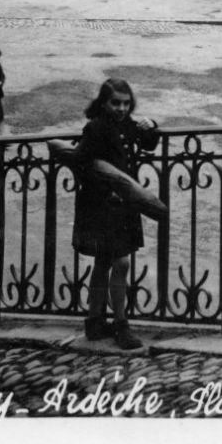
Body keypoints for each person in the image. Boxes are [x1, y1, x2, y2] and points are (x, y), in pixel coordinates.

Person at [70, 78, 161, 351]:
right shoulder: (95, 127)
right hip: (102, 205)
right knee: (119, 263)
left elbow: (149, 145)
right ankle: (121, 325)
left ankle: (95, 321)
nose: (121, 108)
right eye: (115, 103)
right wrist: (104, 189)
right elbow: (81, 163)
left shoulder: (129, 125)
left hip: (124, 204)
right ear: (104, 103)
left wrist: (152, 126)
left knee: (104, 262)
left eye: (125, 103)